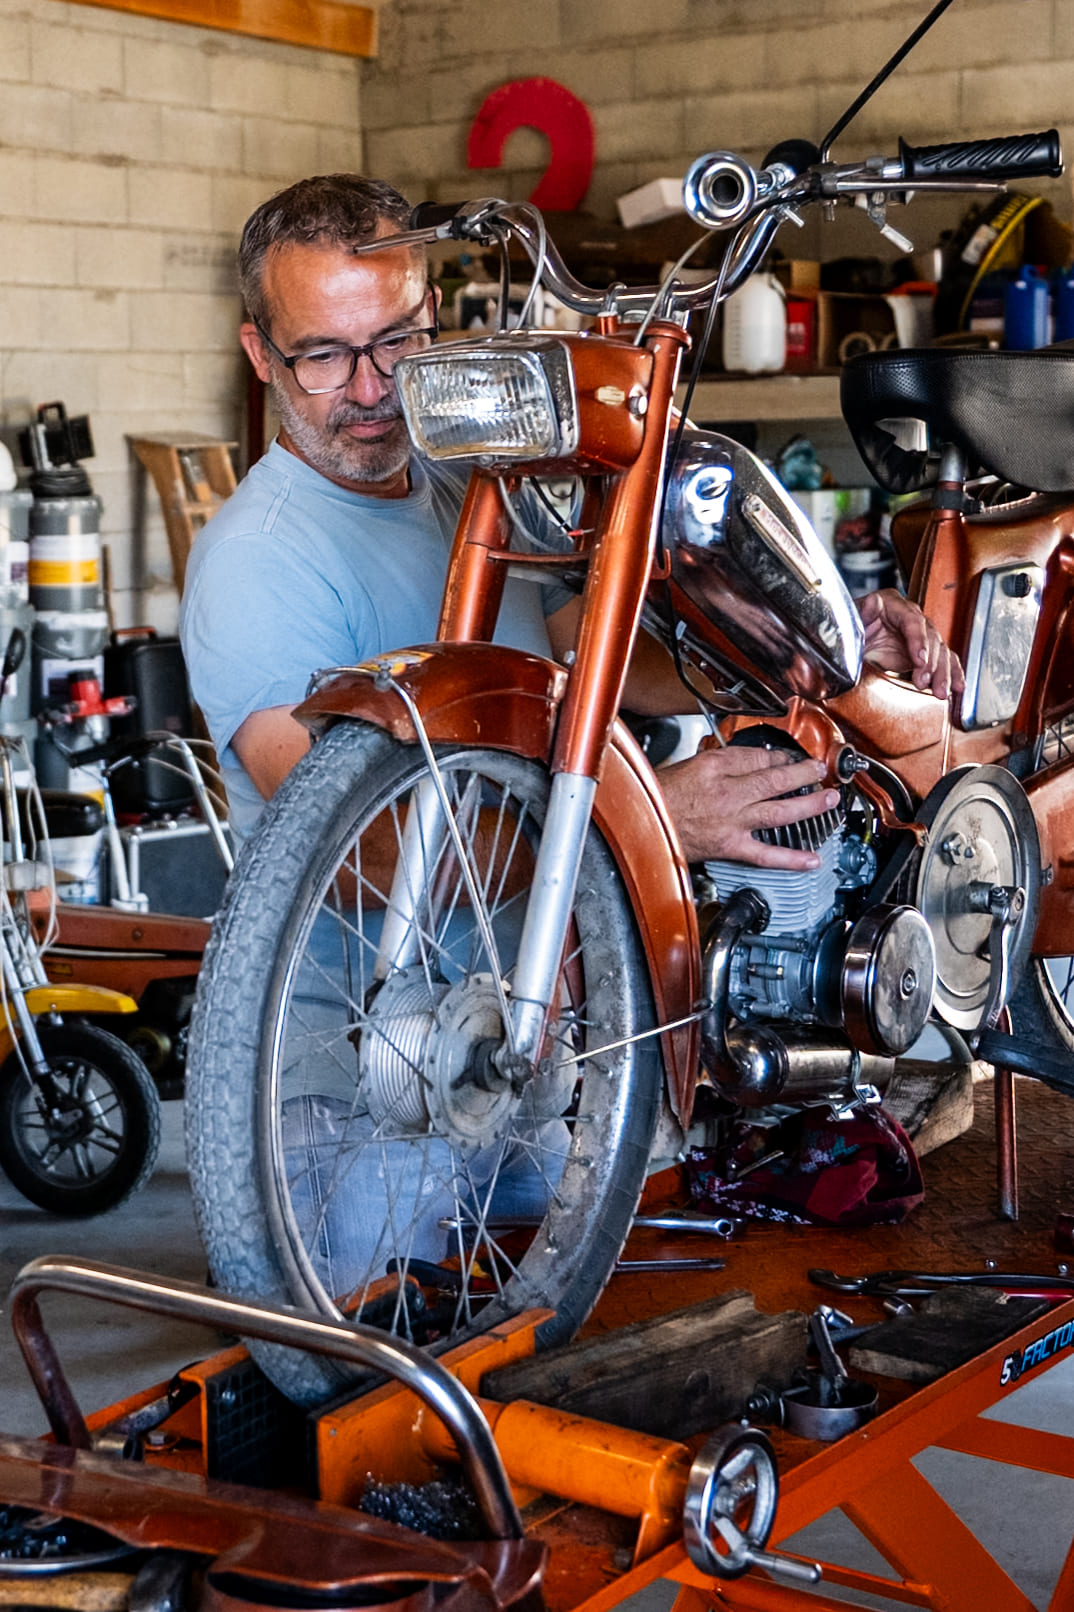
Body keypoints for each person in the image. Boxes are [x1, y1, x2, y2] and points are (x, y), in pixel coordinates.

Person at [180, 173, 963, 864]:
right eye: (322, 356)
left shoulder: (470, 483)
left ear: (436, 312)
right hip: (369, 1026)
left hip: (551, 999)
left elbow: (597, 656)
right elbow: (366, 853)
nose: (370, 388)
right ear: (260, 354)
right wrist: (650, 817)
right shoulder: (257, 559)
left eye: (396, 341)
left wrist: (807, 653)